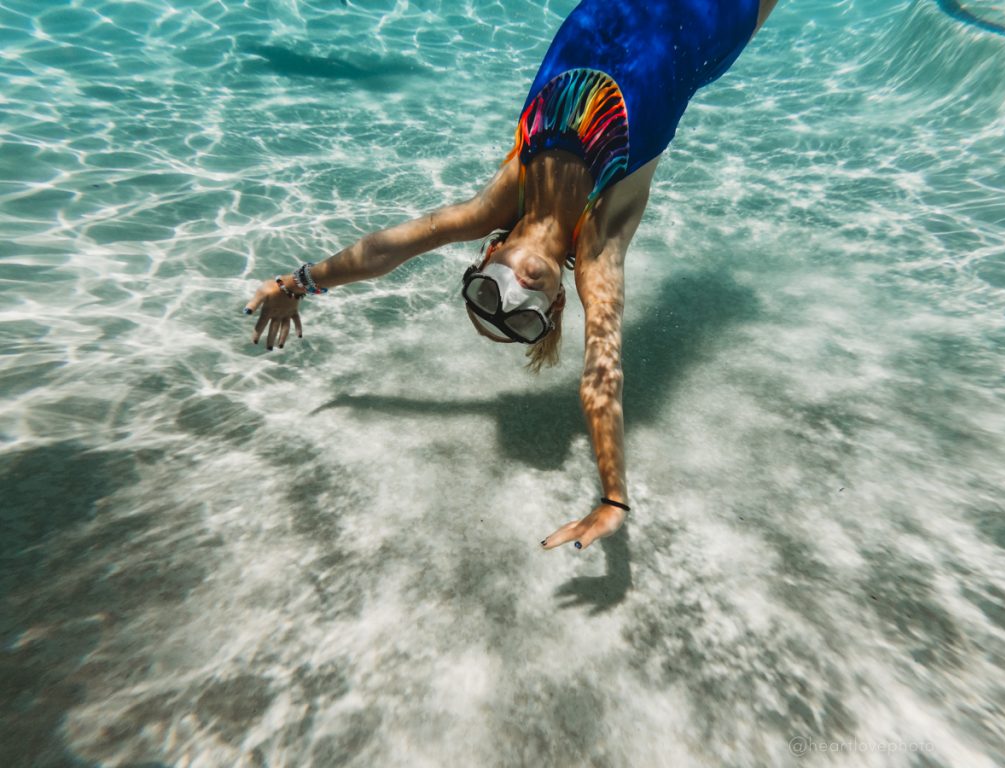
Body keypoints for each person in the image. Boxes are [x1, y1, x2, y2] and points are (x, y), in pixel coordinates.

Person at [244, 0, 780, 552]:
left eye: (486, 294)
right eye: (523, 318)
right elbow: (601, 375)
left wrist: (297, 283)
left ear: (485, 256)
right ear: (556, 305)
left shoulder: (499, 201)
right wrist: (614, 497)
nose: (512, 294)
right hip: (708, 24)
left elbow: (392, 248)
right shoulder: (598, 250)